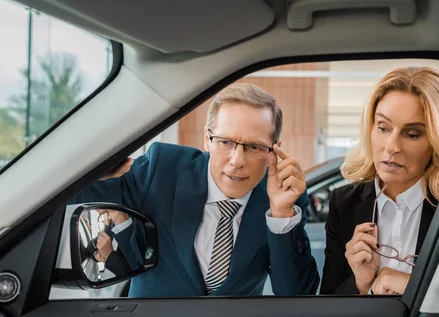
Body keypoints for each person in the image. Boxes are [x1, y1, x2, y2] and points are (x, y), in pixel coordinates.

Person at [74, 83, 319, 297]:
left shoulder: (284, 199)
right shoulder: (161, 169)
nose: (237, 160)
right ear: (206, 139)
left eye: (254, 147)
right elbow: (71, 195)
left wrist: (281, 216)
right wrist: (96, 166)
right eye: (225, 142)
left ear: (275, 150)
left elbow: (296, 294)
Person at [320, 67, 439, 295]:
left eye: (412, 134)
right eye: (383, 128)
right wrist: (361, 283)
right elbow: (330, 302)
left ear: (438, 141)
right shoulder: (344, 202)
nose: (391, 147)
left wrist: (412, 286)